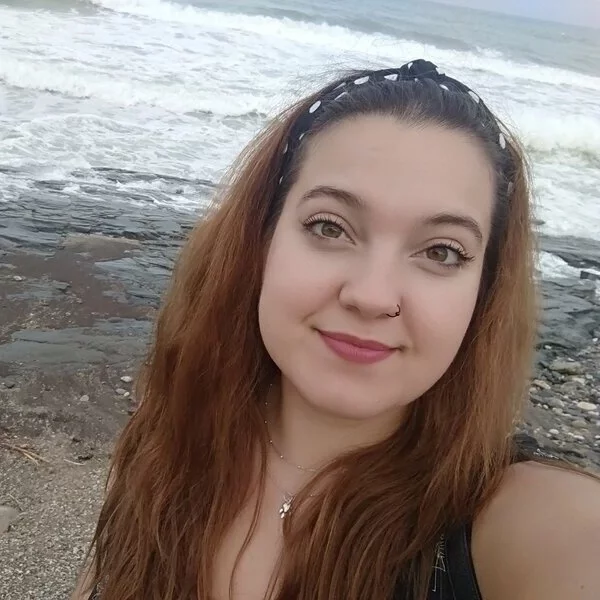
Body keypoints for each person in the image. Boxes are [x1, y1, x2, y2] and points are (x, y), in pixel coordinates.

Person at [72, 59, 600, 600]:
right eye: (330, 227)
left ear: (484, 292)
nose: (372, 296)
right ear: (261, 239)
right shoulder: (166, 438)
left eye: (442, 252)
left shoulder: (528, 525)